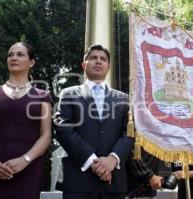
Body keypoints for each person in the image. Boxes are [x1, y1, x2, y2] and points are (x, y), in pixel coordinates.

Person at [54, 44, 134, 199]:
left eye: (103, 59)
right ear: (84, 65)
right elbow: (63, 128)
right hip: (78, 181)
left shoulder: (123, 98)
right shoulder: (69, 94)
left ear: (108, 67)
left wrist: (112, 159)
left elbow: (130, 133)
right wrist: (92, 161)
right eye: (93, 58)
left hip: (114, 182)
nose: (98, 61)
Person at [0, 42, 52, 199]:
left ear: (31, 62)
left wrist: (24, 160)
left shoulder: (42, 96)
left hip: (28, 172)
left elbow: (45, 136)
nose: (13, 58)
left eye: (20, 54)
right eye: (10, 55)